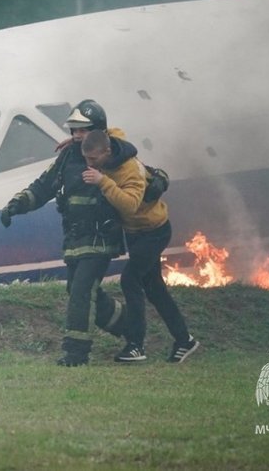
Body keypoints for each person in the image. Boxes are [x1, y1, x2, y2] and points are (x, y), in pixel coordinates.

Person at [0, 100, 127, 366]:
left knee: (81, 291)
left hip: (100, 239)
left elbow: (129, 158)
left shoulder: (112, 153)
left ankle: (75, 354)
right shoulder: (68, 156)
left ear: (98, 130)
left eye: (84, 130)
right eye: (74, 130)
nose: (77, 135)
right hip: (74, 239)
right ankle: (130, 325)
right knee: (78, 289)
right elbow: (44, 186)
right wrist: (17, 204)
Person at [80, 128, 199, 364]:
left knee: (130, 280)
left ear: (107, 152)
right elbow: (107, 130)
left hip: (153, 232)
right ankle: (184, 340)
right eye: (86, 158)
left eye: (93, 159)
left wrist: (103, 182)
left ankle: (135, 345)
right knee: (154, 289)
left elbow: (130, 205)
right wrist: (76, 139)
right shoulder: (110, 143)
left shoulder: (130, 171)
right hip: (135, 233)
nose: (89, 164)